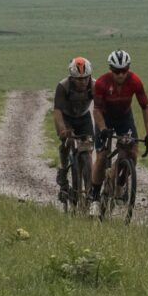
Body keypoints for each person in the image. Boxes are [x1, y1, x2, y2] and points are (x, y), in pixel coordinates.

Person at [88, 49, 148, 202]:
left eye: (124, 71)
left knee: (132, 152)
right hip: (105, 117)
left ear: (128, 69)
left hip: (124, 117)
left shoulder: (135, 81)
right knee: (102, 156)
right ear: (111, 70)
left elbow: (145, 108)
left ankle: (119, 181)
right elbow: (96, 110)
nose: (120, 75)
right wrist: (103, 129)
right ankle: (95, 193)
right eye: (117, 71)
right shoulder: (102, 83)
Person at [52, 56, 96, 198]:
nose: (83, 82)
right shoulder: (63, 86)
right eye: (79, 79)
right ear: (72, 78)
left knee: (88, 148)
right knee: (67, 141)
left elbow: (101, 107)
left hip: (84, 117)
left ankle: (89, 189)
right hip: (66, 117)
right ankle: (63, 170)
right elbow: (57, 111)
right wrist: (62, 129)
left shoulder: (94, 85)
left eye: (85, 78)